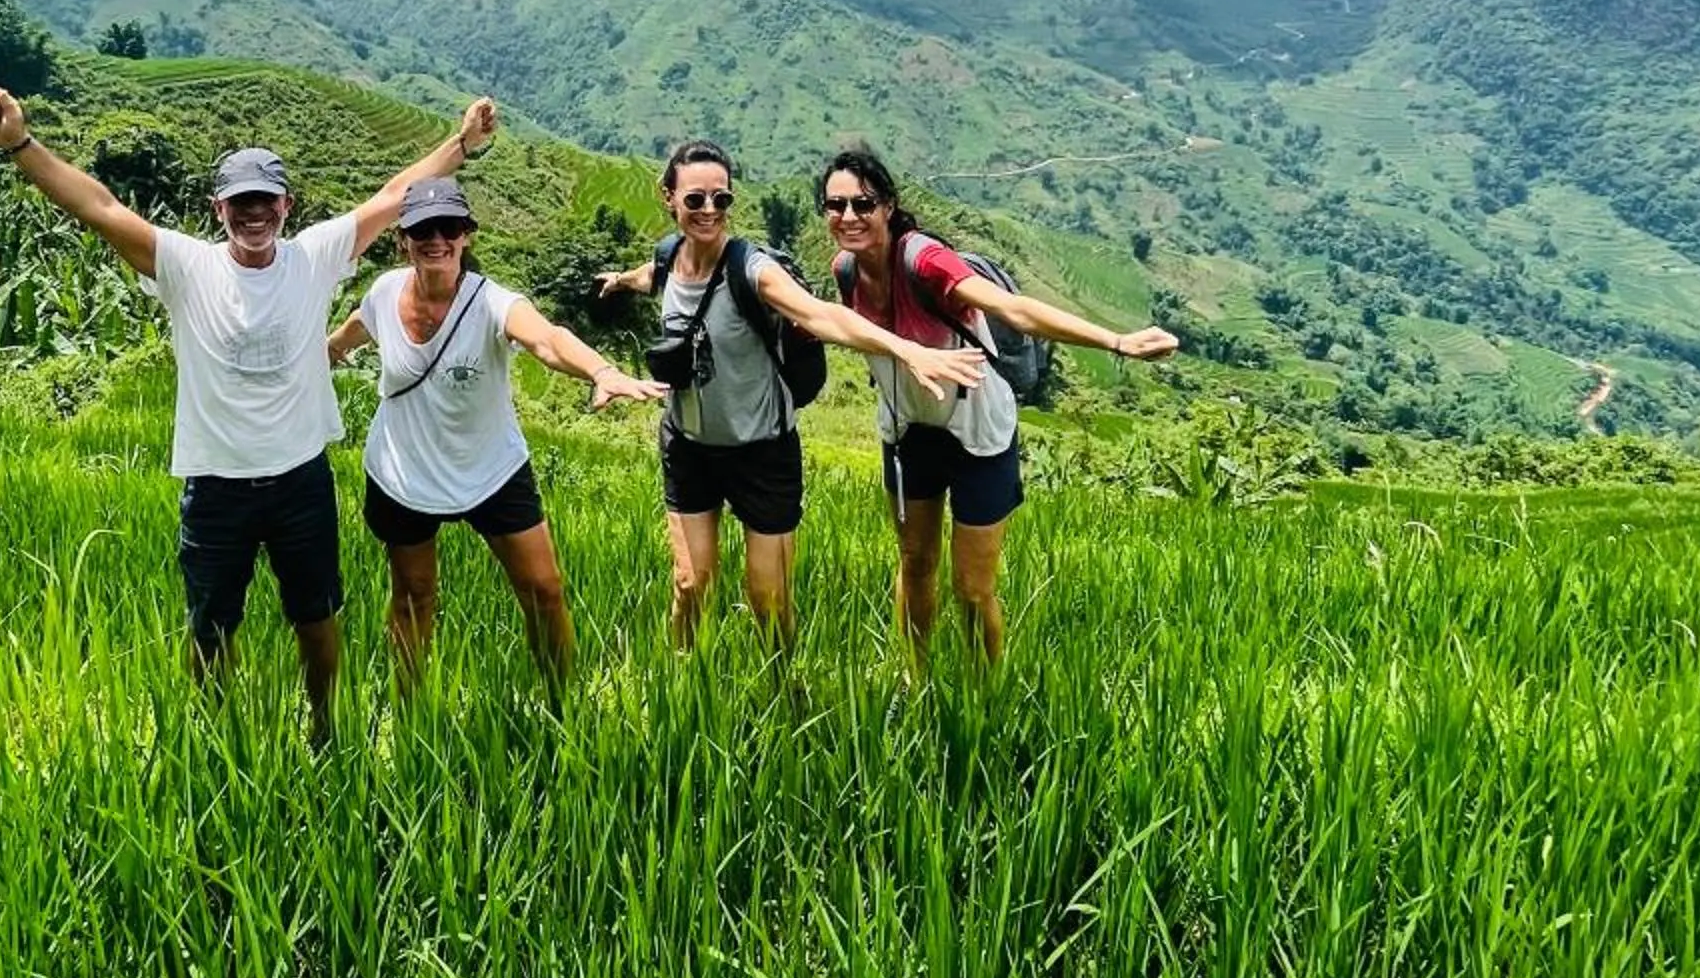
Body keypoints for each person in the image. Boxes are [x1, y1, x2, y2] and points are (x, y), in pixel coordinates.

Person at [0, 82, 500, 743]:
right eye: (240, 203)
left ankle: (326, 729)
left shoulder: (313, 256)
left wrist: (462, 144)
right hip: (217, 485)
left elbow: (393, 198)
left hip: (300, 481)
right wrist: (19, 142)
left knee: (317, 616)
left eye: (266, 201)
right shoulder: (187, 266)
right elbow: (99, 208)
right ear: (218, 209)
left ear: (286, 205)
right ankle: (215, 740)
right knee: (211, 624)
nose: (255, 214)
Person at [597, 139, 986, 650]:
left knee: (769, 597)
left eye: (722, 199)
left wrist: (907, 350)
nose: (709, 210)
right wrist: (621, 280)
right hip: (689, 446)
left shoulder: (753, 270)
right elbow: (653, 276)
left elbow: (822, 315)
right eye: (695, 200)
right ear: (668, 197)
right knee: (691, 584)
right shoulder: (669, 258)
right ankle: (682, 682)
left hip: (762, 451)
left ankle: (781, 690)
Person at [817, 141, 1179, 669]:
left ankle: (981, 694)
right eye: (835, 206)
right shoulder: (846, 271)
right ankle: (916, 678)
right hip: (908, 432)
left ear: (889, 206)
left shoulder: (924, 260)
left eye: (863, 204)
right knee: (914, 562)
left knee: (971, 587)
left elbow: (1014, 308)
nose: (849, 216)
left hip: (977, 434)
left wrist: (1116, 342)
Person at [326, 174, 666, 691]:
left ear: (467, 234)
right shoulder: (384, 292)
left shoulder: (492, 303)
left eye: (448, 227)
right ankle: (410, 709)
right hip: (404, 471)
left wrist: (601, 372)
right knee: (414, 596)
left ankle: (561, 699)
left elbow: (548, 340)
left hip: (491, 469)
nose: (436, 239)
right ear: (403, 240)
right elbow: (350, 333)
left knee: (543, 590)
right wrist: (316, 358)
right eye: (422, 229)